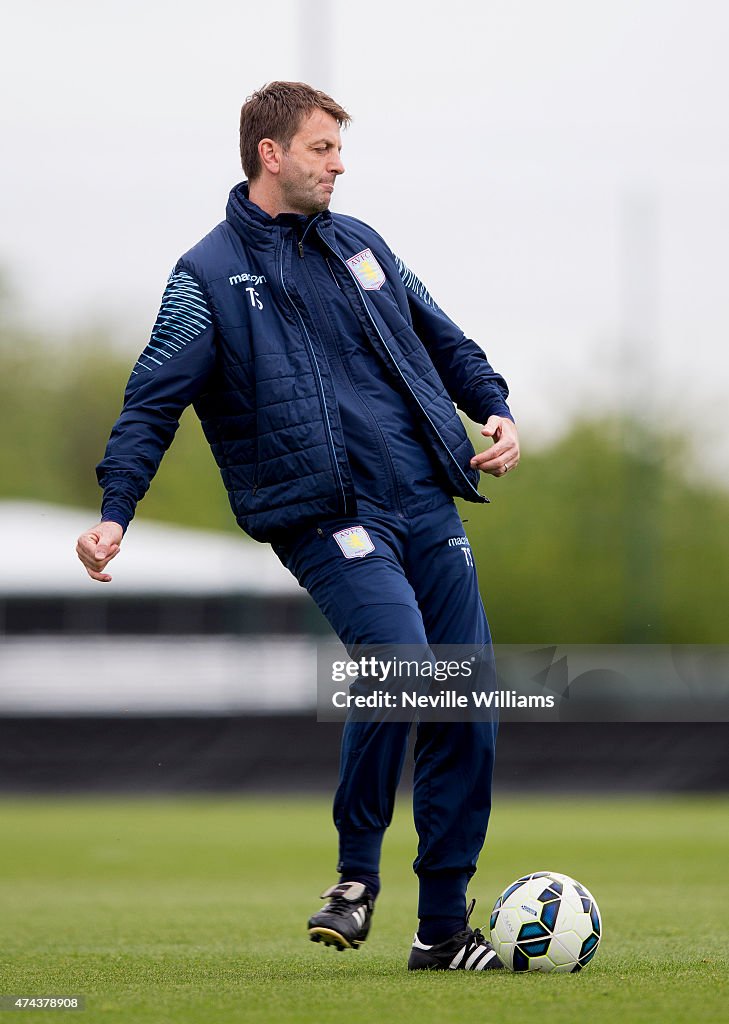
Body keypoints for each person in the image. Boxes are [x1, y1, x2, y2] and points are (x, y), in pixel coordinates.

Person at [76, 81, 520, 971]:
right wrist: (115, 510)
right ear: (269, 154)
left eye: (338, 149)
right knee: (399, 665)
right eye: (322, 149)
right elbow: (149, 403)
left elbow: (441, 334)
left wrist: (492, 406)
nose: (339, 164)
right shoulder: (205, 276)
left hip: (426, 500)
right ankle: (356, 880)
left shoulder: (362, 245)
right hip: (326, 516)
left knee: (464, 705)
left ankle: (441, 932)